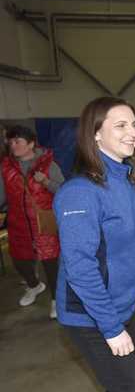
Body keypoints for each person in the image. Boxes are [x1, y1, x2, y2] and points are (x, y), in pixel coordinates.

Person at [54, 96, 135, 392]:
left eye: (134, 124)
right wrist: (111, 327)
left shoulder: (128, 184)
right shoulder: (79, 192)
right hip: (91, 316)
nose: (133, 132)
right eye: (120, 125)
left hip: (124, 309)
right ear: (95, 134)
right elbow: (80, 267)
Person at [1, 125, 64, 318]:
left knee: (50, 263)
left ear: (30, 144)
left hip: (43, 221)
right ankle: (34, 286)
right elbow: (2, 197)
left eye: (17, 141)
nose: (13, 145)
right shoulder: (5, 168)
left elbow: (64, 191)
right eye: (11, 142)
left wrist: (46, 182)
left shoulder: (48, 165)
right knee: (19, 261)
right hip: (18, 224)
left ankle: (56, 300)